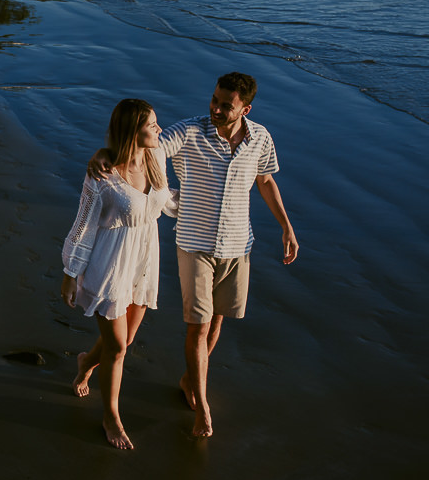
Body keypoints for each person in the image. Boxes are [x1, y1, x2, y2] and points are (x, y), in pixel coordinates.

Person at [87, 72, 298, 438]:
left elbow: (265, 179)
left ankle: (188, 381)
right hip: (195, 241)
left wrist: (286, 226)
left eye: (225, 105)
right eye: (214, 99)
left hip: (237, 244)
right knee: (198, 327)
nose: (215, 108)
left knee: (216, 323)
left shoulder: (260, 138)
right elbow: (147, 146)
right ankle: (203, 405)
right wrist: (105, 153)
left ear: (245, 109)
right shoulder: (189, 131)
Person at [61, 99, 177, 450]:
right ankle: (111, 414)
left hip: (144, 261)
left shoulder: (156, 158)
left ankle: (85, 363)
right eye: (152, 124)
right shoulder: (103, 174)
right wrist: (70, 272)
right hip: (109, 264)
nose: (159, 129)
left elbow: (166, 202)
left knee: (122, 343)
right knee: (117, 348)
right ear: (132, 130)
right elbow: (84, 225)